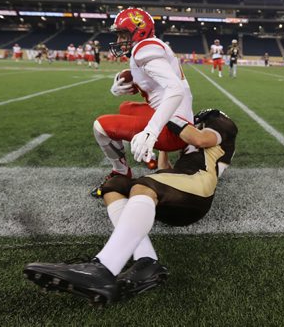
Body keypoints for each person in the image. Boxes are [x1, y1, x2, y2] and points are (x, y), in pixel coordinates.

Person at [24, 109, 238, 305]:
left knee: (143, 186)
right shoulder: (191, 132)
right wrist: (162, 148)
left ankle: (104, 268)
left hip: (198, 189)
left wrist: (164, 114)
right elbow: (165, 168)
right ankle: (147, 262)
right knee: (113, 185)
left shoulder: (223, 123)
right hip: (180, 191)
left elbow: (198, 139)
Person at [90, 7, 194, 198]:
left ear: (140, 30)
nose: (120, 41)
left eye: (123, 35)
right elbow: (155, 84)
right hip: (178, 120)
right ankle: (149, 156)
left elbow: (175, 90)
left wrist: (151, 132)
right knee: (125, 108)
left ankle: (120, 172)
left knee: (100, 126)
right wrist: (126, 85)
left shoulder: (144, 49)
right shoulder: (148, 47)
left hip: (174, 130)